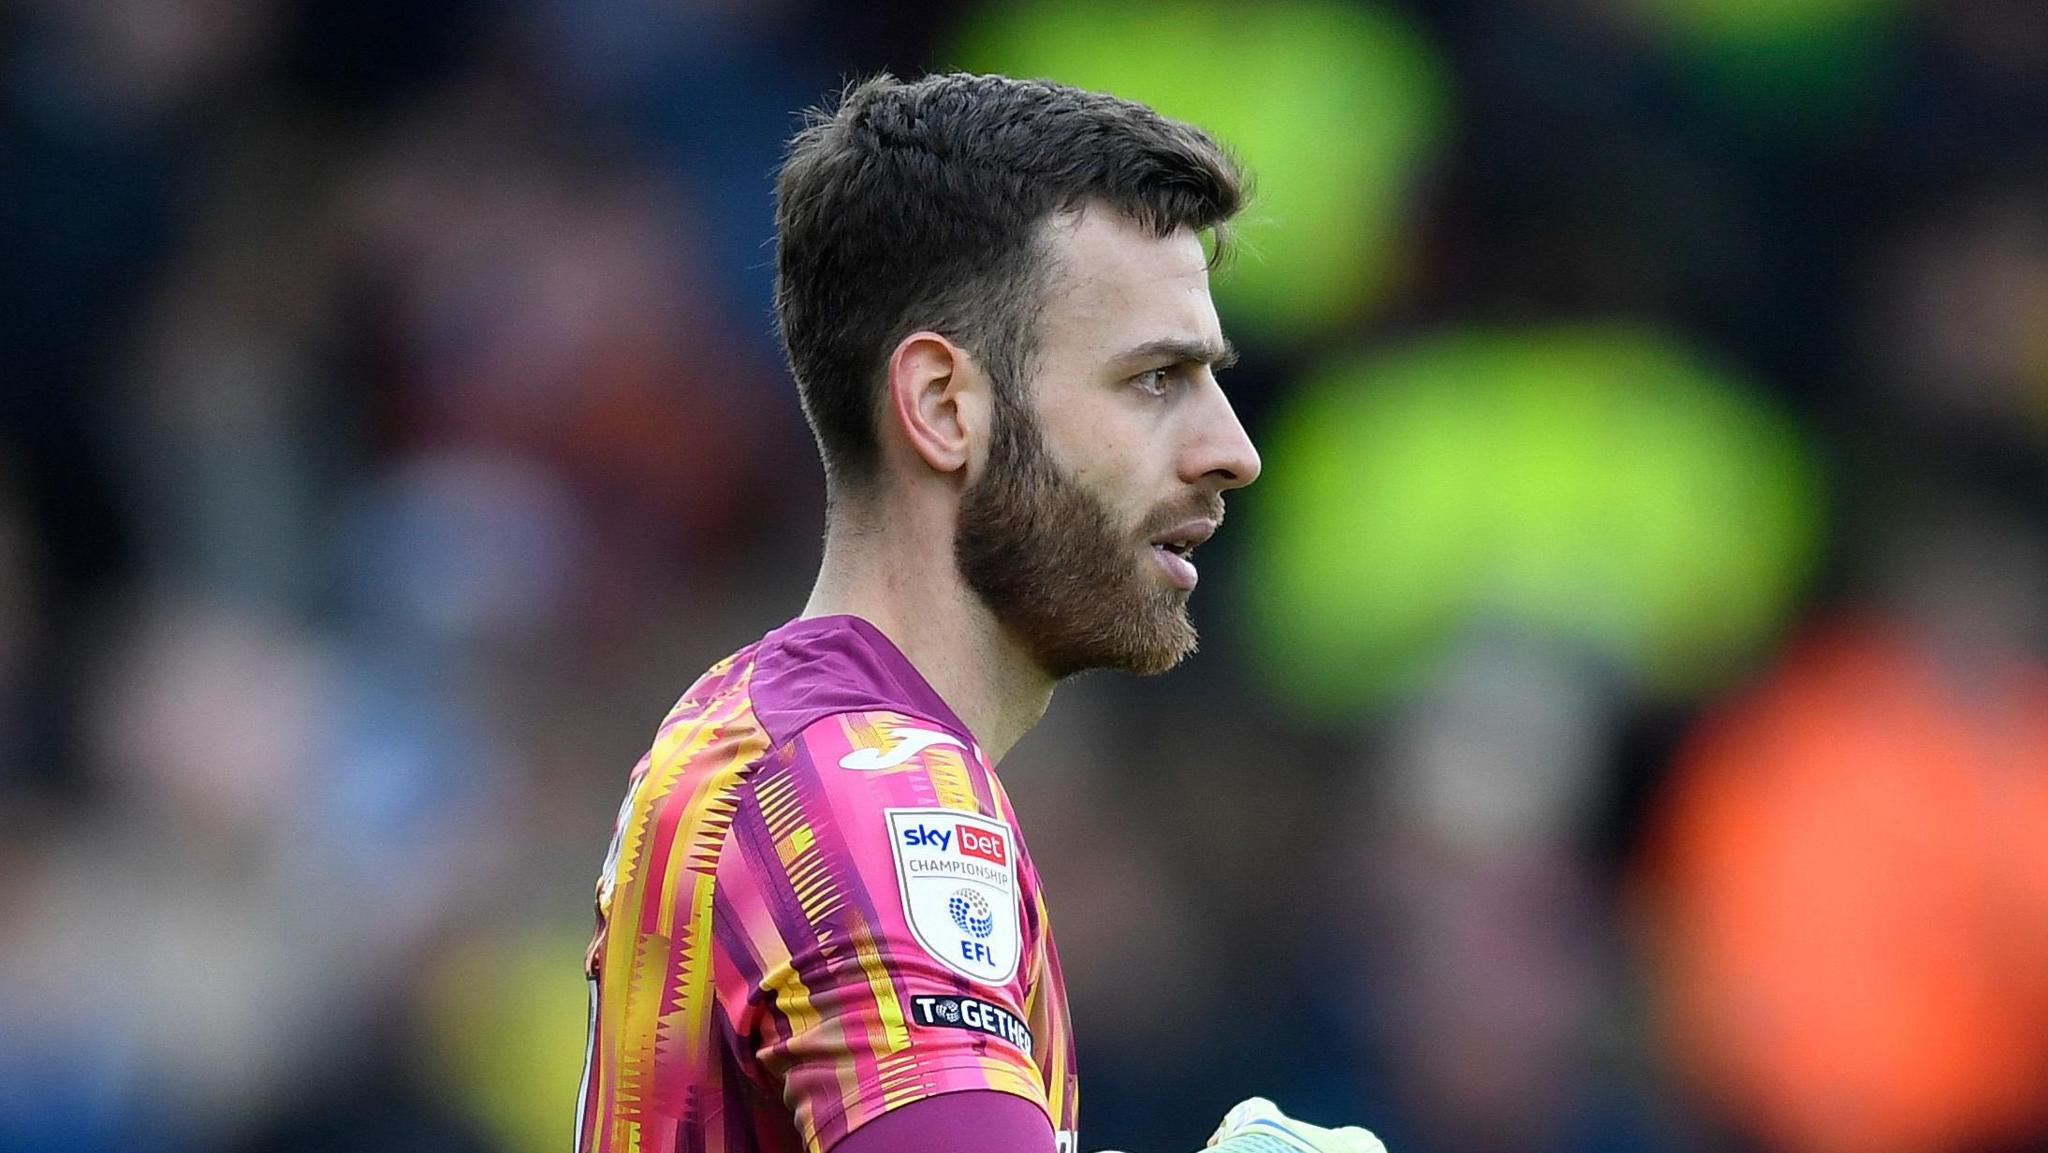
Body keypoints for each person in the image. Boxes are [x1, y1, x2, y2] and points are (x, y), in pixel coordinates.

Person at [575, 72, 1382, 1153]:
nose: (1230, 450)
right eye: (1154, 378)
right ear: (944, 406)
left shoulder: (763, 735)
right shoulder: (870, 789)